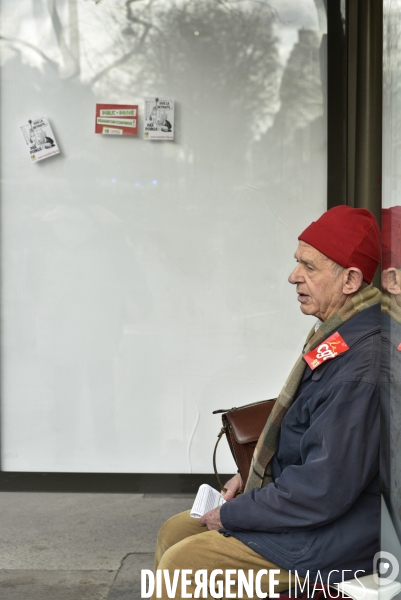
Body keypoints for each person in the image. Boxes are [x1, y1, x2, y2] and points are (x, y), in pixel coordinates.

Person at [152, 206, 381, 599]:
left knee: (185, 566)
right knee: (175, 531)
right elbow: (311, 433)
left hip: (341, 534)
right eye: (297, 263)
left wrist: (236, 512)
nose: (294, 276)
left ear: (350, 279)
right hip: (318, 515)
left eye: (308, 267)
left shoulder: (363, 363)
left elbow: (323, 488)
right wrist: (254, 476)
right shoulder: (340, 334)